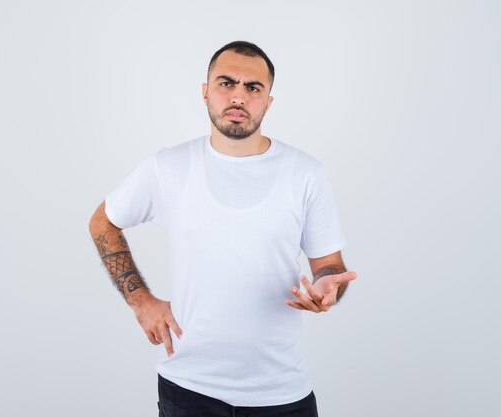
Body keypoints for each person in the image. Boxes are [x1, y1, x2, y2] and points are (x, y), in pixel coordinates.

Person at [88, 40, 357, 417]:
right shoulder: (168, 167)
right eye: (226, 83)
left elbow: (329, 265)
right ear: (205, 92)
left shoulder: (305, 174)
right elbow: (103, 222)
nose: (238, 97)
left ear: (268, 101)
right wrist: (141, 302)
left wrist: (330, 286)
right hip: (188, 389)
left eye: (253, 88)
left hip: (281, 394)